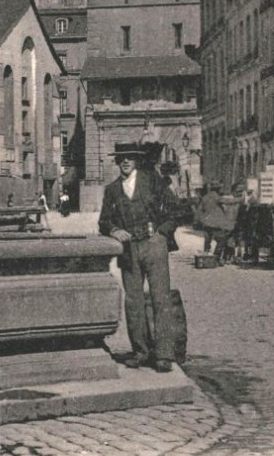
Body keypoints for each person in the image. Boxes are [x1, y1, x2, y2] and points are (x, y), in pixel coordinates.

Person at [98, 143, 180, 373]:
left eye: (130, 158)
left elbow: (176, 209)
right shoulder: (112, 189)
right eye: (121, 158)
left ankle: (164, 354)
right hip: (128, 249)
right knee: (133, 301)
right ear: (117, 162)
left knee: (160, 299)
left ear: (136, 160)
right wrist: (114, 230)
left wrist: (163, 234)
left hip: (154, 244)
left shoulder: (152, 181)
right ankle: (141, 351)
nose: (125, 161)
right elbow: (104, 221)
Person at [196, 181, 233, 261]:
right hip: (215, 224)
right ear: (217, 189)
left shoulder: (205, 197)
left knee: (207, 241)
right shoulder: (216, 197)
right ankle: (216, 257)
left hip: (206, 223)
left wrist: (202, 220)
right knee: (221, 240)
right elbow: (227, 202)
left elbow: (199, 210)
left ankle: (205, 258)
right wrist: (241, 199)